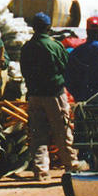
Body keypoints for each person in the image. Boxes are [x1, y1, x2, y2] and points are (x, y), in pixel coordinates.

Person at [19, 12, 85, 180]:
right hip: (54, 95)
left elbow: (24, 71)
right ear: (48, 27)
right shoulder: (55, 46)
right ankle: (71, 165)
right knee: (62, 131)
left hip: (34, 95)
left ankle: (40, 171)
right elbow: (67, 67)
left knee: (38, 133)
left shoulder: (26, 48)